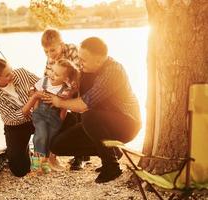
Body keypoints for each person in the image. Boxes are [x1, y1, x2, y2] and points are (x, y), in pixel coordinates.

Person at [43, 37, 141, 183]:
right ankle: (113, 152)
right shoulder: (88, 70)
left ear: (99, 60)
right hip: (99, 122)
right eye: (79, 58)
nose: (79, 63)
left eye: (83, 60)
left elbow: (84, 105)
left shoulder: (113, 71)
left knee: (89, 116)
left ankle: (112, 166)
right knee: (57, 145)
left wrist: (59, 102)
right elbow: (77, 94)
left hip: (127, 123)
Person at [0, 57, 39, 177]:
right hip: (15, 126)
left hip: (36, 118)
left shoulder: (21, 73)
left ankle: (44, 152)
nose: (12, 74)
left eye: (11, 70)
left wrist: (34, 90)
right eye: (7, 75)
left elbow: (43, 84)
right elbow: (13, 117)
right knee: (20, 171)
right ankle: (23, 149)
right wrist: (33, 99)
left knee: (65, 123)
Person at [41, 28, 90, 170]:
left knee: (79, 117)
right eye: (46, 51)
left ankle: (80, 157)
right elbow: (47, 76)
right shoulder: (51, 58)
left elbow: (79, 74)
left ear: (61, 44)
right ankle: (52, 152)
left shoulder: (73, 50)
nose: (49, 55)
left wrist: (67, 93)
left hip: (81, 87)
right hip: (66, 88)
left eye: (52, 50)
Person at [22, 59, 79, 174]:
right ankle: (36, 164)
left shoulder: (65, 90)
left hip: (55, 119)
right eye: (52, 71)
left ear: (66, 79)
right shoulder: (43, 82)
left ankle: (45, 163)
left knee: (49, 140)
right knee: (41, 136)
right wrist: (35, 110)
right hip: (40, 115)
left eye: (57, 74)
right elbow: (35, 96)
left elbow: (63, 108)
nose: (52, 75)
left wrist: (60, 121)